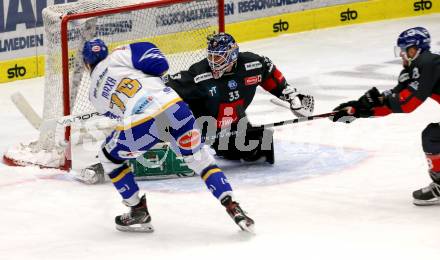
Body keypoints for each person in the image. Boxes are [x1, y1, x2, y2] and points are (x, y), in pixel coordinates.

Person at [82, 38, 254, 232]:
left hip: (142, 124)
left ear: (86, 64)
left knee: (108, 158)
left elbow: (119, 115)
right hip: (175, 108)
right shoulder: (121, 54)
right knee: (201, 160)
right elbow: (160, 64)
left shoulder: (93, 96)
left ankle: (137, 210)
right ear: (105, 51)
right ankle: (232, 206)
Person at [330, 27, 440, 205]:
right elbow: (393, 100)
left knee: (433, 137)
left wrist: (374, 103)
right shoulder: (417, 67)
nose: (402, 55)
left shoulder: (428, 63)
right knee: (433, 136)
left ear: (416, 49)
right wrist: (358, 110)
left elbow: (407, 104)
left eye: (405, 51)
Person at [165, 32, 314, 164]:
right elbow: (166, 88)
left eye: (218, 56)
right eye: (210, 55)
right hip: (201, 125)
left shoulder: (252, 65)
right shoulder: (198, 74)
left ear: (232, 55)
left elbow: (269, 72)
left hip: (234, 125)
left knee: (258, 147)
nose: (212, 61)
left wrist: (293, 98)